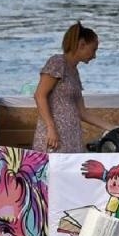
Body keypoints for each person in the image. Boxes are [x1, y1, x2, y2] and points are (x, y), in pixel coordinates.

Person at [33, 22, 101, 153]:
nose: (94, 56)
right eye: (93, 49)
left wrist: (114, 128)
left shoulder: (74, 71)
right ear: (81, 44)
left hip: (71, 137)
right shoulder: (57, 62)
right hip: (54, 137)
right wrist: (51, 128)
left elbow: (83, 113)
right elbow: (39, 95)